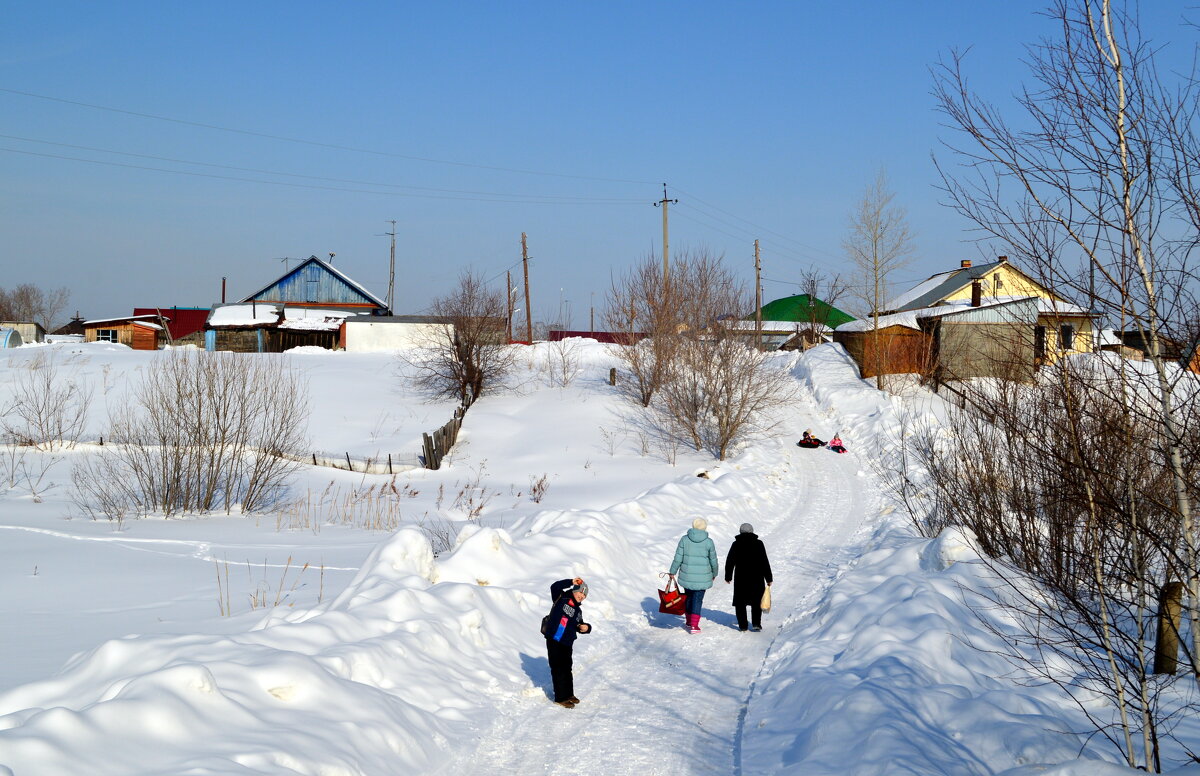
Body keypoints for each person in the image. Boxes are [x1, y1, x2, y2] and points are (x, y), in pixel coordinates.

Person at [544, 577, 591, 708]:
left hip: (567, 643)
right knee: (558, 668)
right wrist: (570, 582)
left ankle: (568, 694)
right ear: (575, 590)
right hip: (554, 639)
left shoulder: (578, 611)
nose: (582, 596)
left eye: (584, 595)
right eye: (580, 592)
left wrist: (586, 627)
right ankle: (560, 697)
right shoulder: (562, 597)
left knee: (567, 668)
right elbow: (554, 586)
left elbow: (580, 625)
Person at [669, 518, 718, 634]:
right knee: (697, 600)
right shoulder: (709, 542)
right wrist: (714, 573)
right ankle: (694, 626)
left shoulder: (684, 540)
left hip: (687, 576)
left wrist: (672, 571)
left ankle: (688, 621)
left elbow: (678, 557)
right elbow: (713, 560)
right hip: (703, 577)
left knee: (688, 597)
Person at [724, 523, 773, 632]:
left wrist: (728, 576)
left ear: (740, 532)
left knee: (740, 602)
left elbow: (730, 561)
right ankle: (756, 623)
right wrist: (768, 578)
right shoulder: (759, 544)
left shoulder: (736, 544)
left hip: (741, 578)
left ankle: (743, 625)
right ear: (752, 531)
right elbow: (764, 561)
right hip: (757, 577)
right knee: (756, 601)